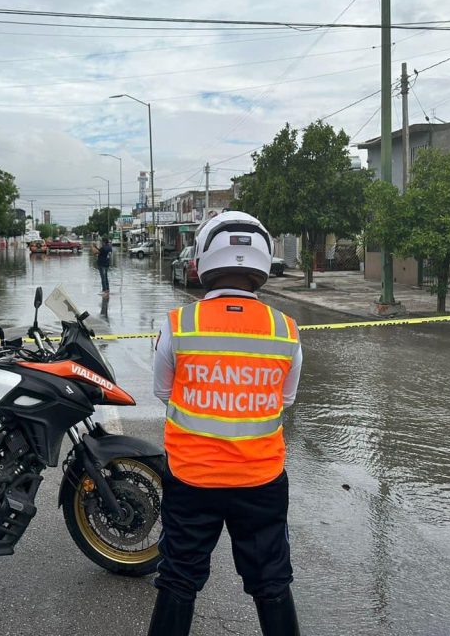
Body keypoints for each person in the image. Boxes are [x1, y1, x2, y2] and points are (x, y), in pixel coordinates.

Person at [148, 211, 303, 636]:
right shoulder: (285, 329)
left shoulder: (178, 324)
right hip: (261, 480)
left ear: (202, 260)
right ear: (263, 264)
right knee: (271, 581)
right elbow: (283, 401)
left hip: (192, 480)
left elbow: (164, 392)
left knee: (178, 578)